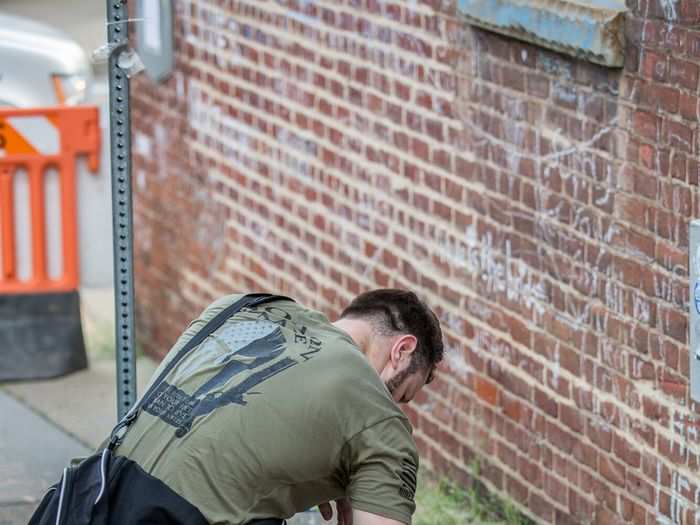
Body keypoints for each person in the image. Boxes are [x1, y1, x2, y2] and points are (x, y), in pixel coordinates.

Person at [113, 289, 444, 525]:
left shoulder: (239, 307)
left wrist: (351, 455)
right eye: (401, 395)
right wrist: (369, 446)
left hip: (89, 497)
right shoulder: (380, 420)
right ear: (402, 350)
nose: (394, 407)